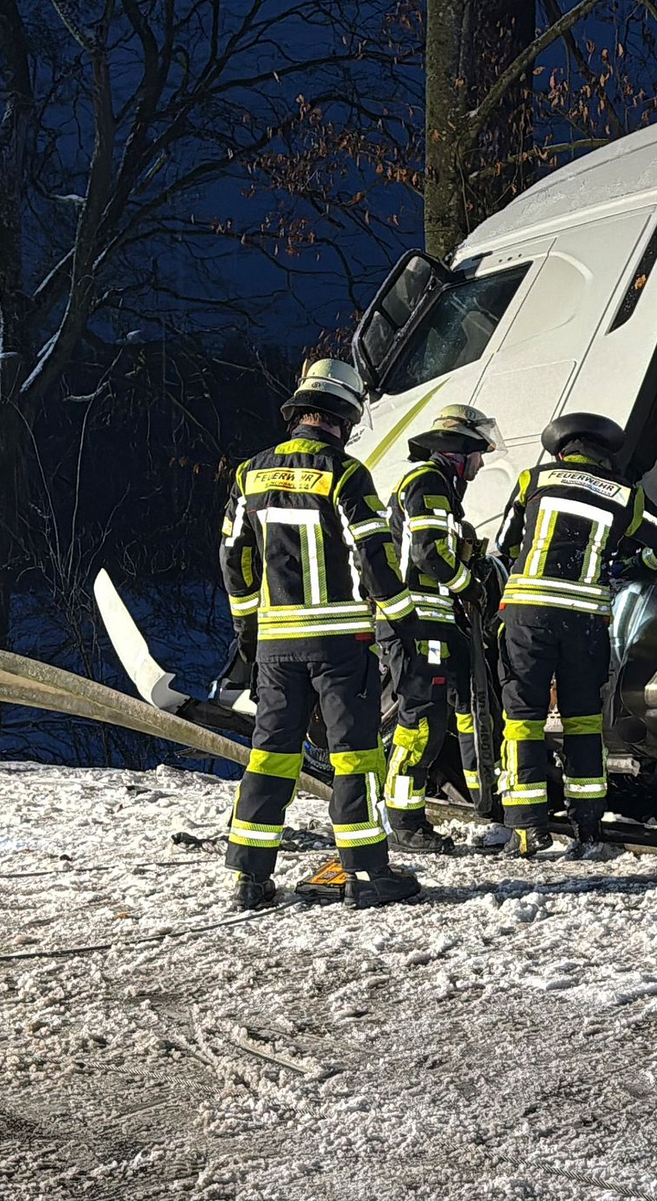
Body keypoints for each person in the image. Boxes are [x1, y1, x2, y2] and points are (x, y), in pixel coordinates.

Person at [220, 358, 422, 910]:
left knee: (270, 755)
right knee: (355, 756)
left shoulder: (249, 473)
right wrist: (404, 620)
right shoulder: (347, 474)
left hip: (276, 647)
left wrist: (248, 632)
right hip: (339, 648)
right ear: (345, 417)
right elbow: (375, 557)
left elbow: (234, 560)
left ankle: (250, 879)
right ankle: (365, 875)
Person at [493, 412, 657, 856]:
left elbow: (504, 545)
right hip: (584, 622)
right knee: (582, 720)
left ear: (562, 450)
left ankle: (526, 828)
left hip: (529, 616)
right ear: (606, 456)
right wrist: (631, 565)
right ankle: (588, 825)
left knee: (523, 719)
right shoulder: (625, 496)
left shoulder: (532, 480)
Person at [381, 405, 501, 853]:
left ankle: (485, 799)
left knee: (471, 702)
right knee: (421, 721)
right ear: (459, 452)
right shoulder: (428, 483)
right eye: (477, 454)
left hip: (435, 621)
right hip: (414, 622)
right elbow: (430, 553)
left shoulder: (441, 491)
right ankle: (405, 822)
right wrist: (469, 585)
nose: (481, 464)